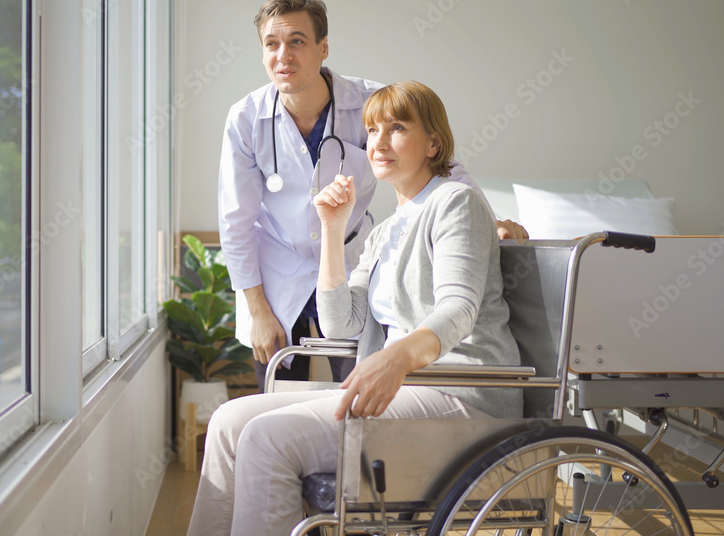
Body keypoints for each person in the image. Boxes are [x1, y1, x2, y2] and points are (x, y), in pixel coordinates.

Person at [190, 81, 523, 535]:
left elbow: (459, 309)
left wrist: (397, 357)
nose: (379, 141)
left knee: (268, 440)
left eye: (397, 128)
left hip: (463, 394)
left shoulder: (454, 202)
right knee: (229, 422)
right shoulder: (386, 229)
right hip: (409, 390)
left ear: (433, 143)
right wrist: (332, 227)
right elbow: (340, 324)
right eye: (371, 129)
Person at [218, 0, 526, 393]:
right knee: (279, 395)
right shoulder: (246, 119)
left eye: (297, 41)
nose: (283, 55)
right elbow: (235, 221)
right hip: (277, 277)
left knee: (363, 395)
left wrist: (488, 223)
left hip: (353, 264)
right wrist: (257, 310)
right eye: (271, 44)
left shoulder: (370, 104)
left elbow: (445, 166)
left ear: (323, 47)